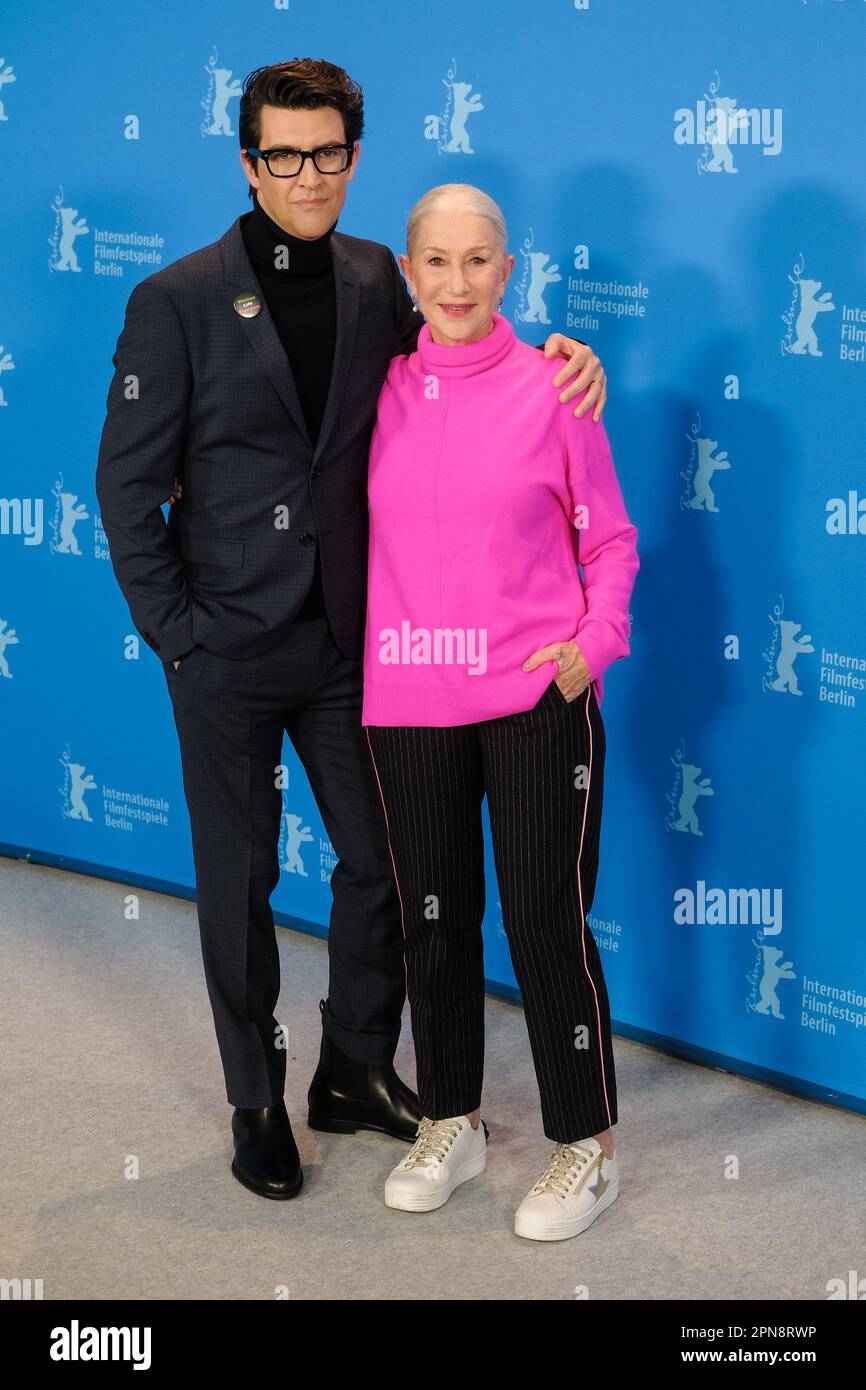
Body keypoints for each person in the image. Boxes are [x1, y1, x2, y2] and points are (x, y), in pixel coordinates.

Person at [95, 59, 610, 1202]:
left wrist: (569, 363)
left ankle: (355, 1066)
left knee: (385, 865)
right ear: (248, 162)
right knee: (236, 885)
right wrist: (179, 635)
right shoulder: (177, 301)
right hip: (223, 649)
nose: (307, 174)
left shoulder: (383, 276)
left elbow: (469, 343)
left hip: (349, 645)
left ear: (353, 156)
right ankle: (253, 1098)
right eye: (283, 154)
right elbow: (126, 492)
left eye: (327, 152)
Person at [363, 184, 639, 1240]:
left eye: (478, 262)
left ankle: (586, 1143)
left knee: (542, 921)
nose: (457, 284)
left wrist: (589, 649)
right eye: (436, 262)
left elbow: (608, 542)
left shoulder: (554, 388)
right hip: (406, 693)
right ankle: (452, 1118)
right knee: (432, 925)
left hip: (533, 696)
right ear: (408, 271)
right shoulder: (376, 387)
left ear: (507, 271)